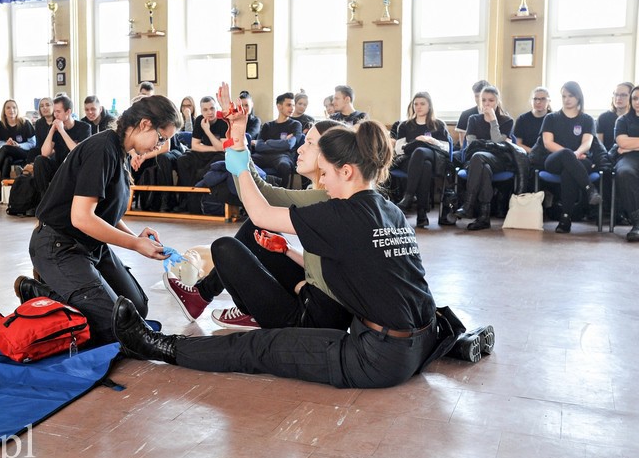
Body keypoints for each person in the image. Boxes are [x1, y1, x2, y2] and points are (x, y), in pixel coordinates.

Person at [113, 84, 495, 389]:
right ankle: (456, 343)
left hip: (377, 358)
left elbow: (260, 211)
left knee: (258, 348)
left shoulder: (339, 213)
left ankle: (155, 345)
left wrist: (240, 142)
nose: (322, 180)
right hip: (422, 342)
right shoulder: (389, 210)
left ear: (347, 171)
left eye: (325, 170)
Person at [14, 95, 182, 346]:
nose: (160, 146)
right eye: (161, 138)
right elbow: (81, 218)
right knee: (117, 327)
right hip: (58, 246)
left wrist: (135, 237)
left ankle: (68, 290)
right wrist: (135, 245)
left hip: (91, 247)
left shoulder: (121, 151)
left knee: (136, 309)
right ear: (145, 124)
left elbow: (104, 213)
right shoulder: (103, 148)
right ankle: (37, 290)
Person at [163, 119, 342, 328]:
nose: (301, 148)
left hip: (312, 313)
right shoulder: (325, 196)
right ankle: (204, 296)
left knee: (224, 248)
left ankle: (232, 304)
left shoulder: (323, 198)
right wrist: (287, 251)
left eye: (310, 143)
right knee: (255, 230)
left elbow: (262, 202)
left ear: (329, 155)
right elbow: (324, 268)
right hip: (320, 303)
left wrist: (239, 150)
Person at [533, 81, 602, 233]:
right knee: (565, 155)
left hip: (580, 160)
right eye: (564, 96)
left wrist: (575, 154)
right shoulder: (551, 118)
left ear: (578, 97)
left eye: (571, 96)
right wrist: (571, 154)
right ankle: (589, 188)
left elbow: (587, 143)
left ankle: (565, 219)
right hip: (554, 160)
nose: (567, 99)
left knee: (568, 172)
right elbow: (548, 143)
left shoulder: (587, 119)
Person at [456, 85, 516, 231]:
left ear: (497, 102)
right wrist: (488, 145)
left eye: (491, 100)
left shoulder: (507, 120)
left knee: (480, 157)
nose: (487, 104)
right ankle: (483, 217)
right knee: (483, 167)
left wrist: (493, 122)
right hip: (476, 160)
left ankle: (469, 205)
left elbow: (499, 145)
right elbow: (471, 144)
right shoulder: (473, 119)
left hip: (498, 160)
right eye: (484, 100)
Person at [394, 92, 452, 228]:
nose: (418, 107)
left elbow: (446, 149)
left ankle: (408, 197)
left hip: (435, 158)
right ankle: (421, 215)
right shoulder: (405, 125)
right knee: (424, 166)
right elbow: (398, 149)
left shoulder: (438, 124)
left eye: (422, 104)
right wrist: (416, 141)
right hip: (409, 161)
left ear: (429, 106)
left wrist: (430, 140)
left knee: (421, 152)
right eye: (416, 104)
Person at [175, 96, 229, 213]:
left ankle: (196, 196)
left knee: (219, 158)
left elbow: (223, 148)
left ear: (216, 108)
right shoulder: (200, 120)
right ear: (201, 111)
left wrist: (208, 131)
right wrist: (215, 148)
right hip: (206, 152)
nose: (210, 112)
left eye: (212, 108)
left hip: (219, 156)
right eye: (205, 110)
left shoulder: (223, 121)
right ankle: (188, 196)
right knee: (182, 160)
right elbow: (195, 146)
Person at [33, 95, 92, 198]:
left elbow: (76, 151)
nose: (55, 115)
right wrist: (52, 130)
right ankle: (44, 199)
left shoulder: (84, 128)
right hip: (59, 166)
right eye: (54, 111)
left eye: (58, 111)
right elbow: (44, 153)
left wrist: (62, 130)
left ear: (68, 112)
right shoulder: (55, 128)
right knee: (39, 160)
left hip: (74, 168)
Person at [252, 92, 303, 187]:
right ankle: (258, 187)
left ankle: (281, 194)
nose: (292, 108)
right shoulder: (267, 125)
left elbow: (289, 144)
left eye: (293, 105)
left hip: (283, 156)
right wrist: (281, 143)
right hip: (263, 156)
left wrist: (268, 142)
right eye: (288, 105)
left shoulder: (296, 125)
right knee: (247, 161)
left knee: (284, 165)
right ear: (279, 106)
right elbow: (258, 146)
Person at [614, 85, 639, 241]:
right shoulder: (623, 120)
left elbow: (626, 144)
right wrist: (626, 146)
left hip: (630, 152)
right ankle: (637, 223)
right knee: (624, 172)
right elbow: (621, 142)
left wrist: (630, 145)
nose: (638, 102)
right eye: (635, 98)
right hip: (629, 159)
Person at [513, 86, 552, 154]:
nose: (538, 102)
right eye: (535, 99)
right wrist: (534, 153)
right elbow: (517, 143)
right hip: (528, 155)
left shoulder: (553, 119)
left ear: (549, 101)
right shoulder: (522, 119)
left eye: (542, 99)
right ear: (531, 101)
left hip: (549, 155)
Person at [597, 82, 633, 152]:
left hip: (629, 156)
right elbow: (599, 146)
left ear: (632, 97)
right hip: (607, 156)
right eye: (616, 94)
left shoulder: (635, 118)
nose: (618, 98)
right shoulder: (603, 117)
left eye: (623, 95)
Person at [455, 80, 490, 146]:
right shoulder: (465, 114)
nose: (479, 99)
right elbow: (462, 143)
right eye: (476, 96)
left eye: (481, 96)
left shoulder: (500, 115)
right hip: (467, 149)